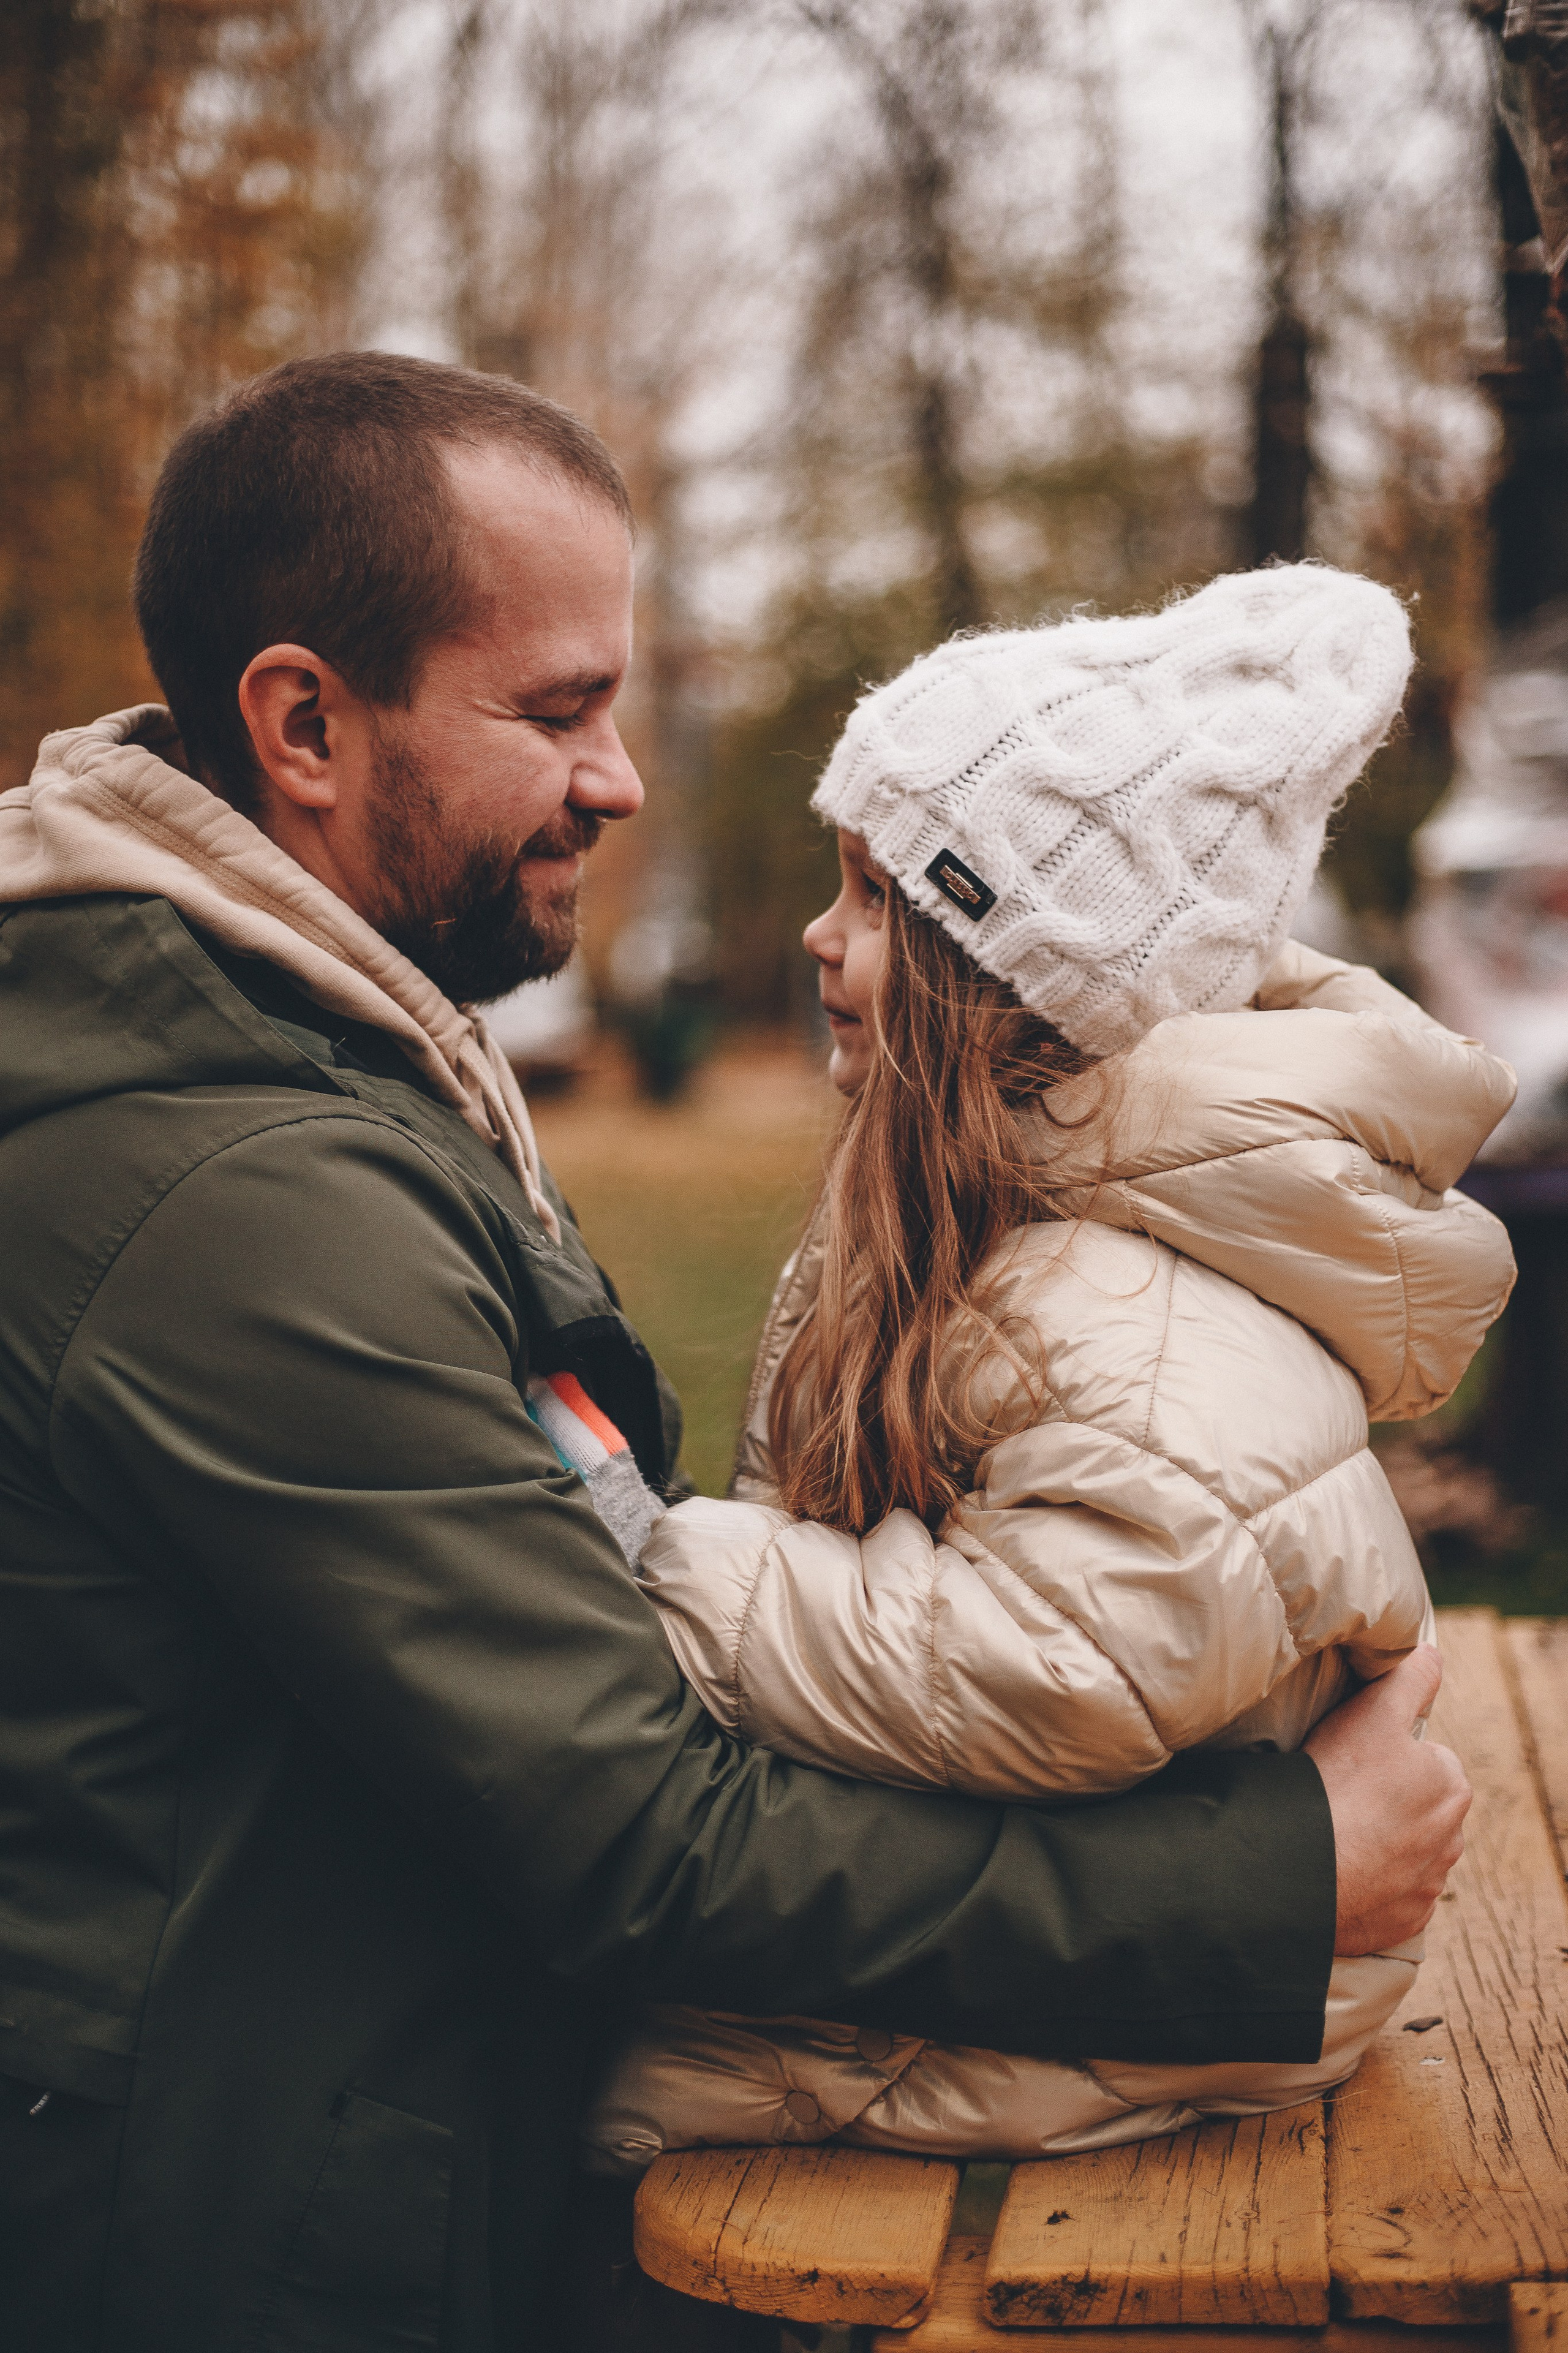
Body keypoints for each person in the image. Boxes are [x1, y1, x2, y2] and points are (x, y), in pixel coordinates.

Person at [0, 354, 1470, 2353]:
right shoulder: (236, 1189)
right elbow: (636, 1823)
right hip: (275, 2228)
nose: (618, 775)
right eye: (556, 709)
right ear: (304, 724)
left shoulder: (307, 1048)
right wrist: (1274, 1886)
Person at [582, 567, 1515, 2176]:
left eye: (874, 896)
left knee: (603, 2080)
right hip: (1124, 1928)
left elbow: (1060, 1666)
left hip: (1180, 1998)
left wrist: (665, 1564)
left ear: (1001, 975)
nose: (817, 932)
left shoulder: (1132, 1308)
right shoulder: (1019, 1223)